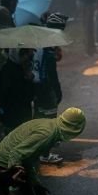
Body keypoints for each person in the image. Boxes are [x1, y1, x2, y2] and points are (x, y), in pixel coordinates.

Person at [33, 13, 68, 164]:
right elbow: (51, 74)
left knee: (38, 117)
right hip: (45, 87)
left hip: (34, 85)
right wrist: (57, 90)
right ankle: (45, 154)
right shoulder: (48, 48)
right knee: (49, 120)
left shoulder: (40, 40)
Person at [0, 48, 35, 135]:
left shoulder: (21, 68)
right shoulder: (8, 70)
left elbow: (30, 95)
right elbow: (8, 93)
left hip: (21, 115)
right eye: (22, 54)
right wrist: (28, 80)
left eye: (26, 54)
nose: (25, 57)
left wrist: (29, 79)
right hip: (13, 115)